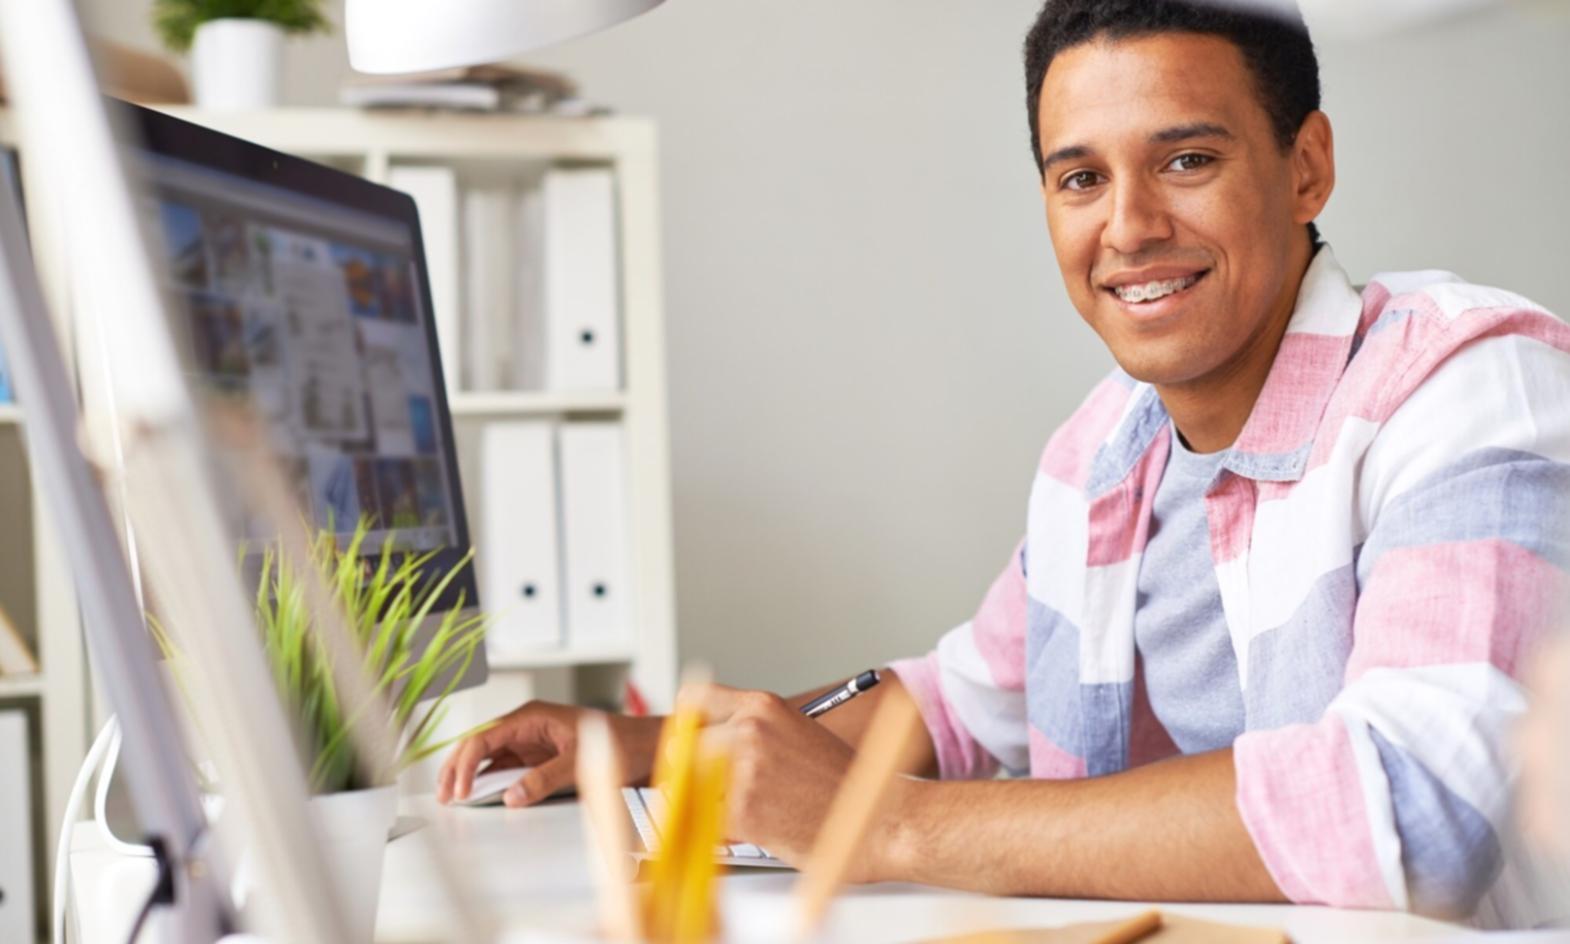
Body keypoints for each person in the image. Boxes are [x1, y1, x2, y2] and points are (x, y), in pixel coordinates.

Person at [439, 0, 1570, 926]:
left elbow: (1422, 808)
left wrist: (886, 826)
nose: (1126, 226)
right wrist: (658, 750)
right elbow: (957, 700)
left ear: (1305, 167)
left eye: (1184, 159)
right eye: (1079, 178)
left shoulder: (1467, 383)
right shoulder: (1101, 450)